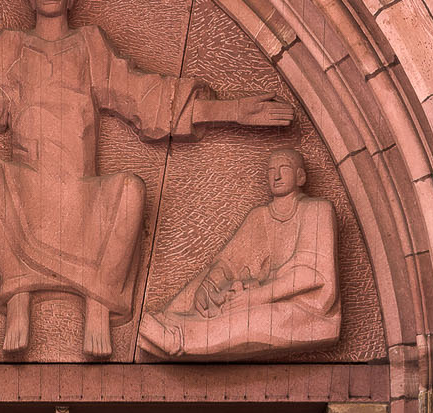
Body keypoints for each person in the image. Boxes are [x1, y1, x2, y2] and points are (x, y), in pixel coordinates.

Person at [0, 0, 291, 358]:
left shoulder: (89, 45)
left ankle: (98, 304)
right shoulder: (11, 48)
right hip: (26, 194)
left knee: (132, 190)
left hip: (84, 199)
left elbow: (145, 98)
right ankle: (18, 291)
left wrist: (230, 110)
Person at [140, 146, 342, 360]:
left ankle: (177, 340)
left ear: (300, 177)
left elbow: (310, 273)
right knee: (207, 285)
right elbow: (230, 263)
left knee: (254, 320)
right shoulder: (259, 216)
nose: (277, 175)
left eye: (285, 168)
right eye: (271, 170)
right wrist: (208, 287)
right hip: (254, 295)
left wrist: (257, 296)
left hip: (304, 308)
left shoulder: (317, 209)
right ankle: (169, 320)